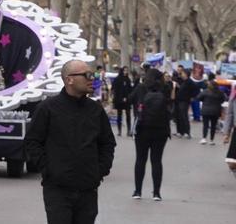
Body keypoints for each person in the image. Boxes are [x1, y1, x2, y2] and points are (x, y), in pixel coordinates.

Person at [25, 60, 115, 223]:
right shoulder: (48, 108)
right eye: (87, 75)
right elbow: (32, 142)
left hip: (88, 190)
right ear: (69, 79)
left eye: (93, 75)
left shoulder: (95, 110)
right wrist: (48, 170)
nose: (92, 79)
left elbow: (107, 143)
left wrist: (100, 171)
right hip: (58, 190)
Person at [128, 68, 171, 200]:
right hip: (161, 130)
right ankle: (156, 193)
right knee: (156, 160)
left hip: (142, 129)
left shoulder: (141, 88)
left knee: (140, 160)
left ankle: (138, 191)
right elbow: (170, 107)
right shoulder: (165, 89)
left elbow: (129, 99)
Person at [196, 79, 225, 146]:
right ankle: (212, 140)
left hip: (206, 110)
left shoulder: (205, 91)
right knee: (213, 126)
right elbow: (223, 100)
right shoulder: (220, 92)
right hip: (216, 111)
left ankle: (204, 138)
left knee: (205, 125)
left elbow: (198, 97)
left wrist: (204, 101)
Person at [110, 67, 134, 137]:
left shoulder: (128, 79)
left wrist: (128, 97)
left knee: (128, 115)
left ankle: (128, 130)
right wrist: (118, 98)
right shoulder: (117, 79)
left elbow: (130, 89)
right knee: (119, 115)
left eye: (127, 70)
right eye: (124, 70)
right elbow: (114, 89)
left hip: (127, 100)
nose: (126, 72)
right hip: (119, 100)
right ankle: (119, 131)